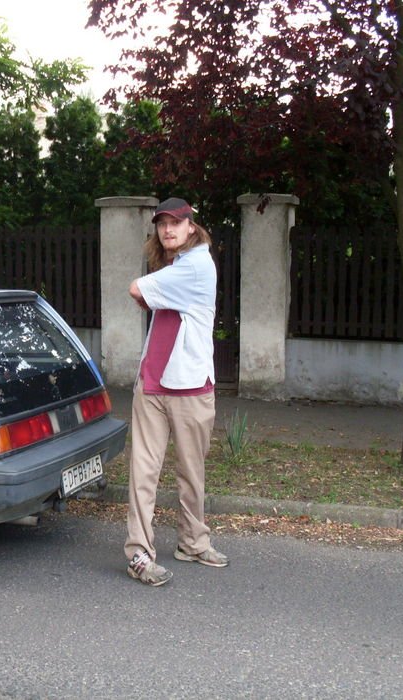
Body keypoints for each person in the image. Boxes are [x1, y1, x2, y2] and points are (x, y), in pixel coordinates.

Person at [124, 197, 228, 586]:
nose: (167, 229)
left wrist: (152, 294)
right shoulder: (175, 267)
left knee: (191, 471)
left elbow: (136, 289)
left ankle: (193, 542)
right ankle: (139, 553)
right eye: (161, 224)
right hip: (151, 384)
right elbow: (145, 295)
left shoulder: (198, 266)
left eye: (175, 223)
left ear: (191, 226)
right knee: (143, 472)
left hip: (190, 387)